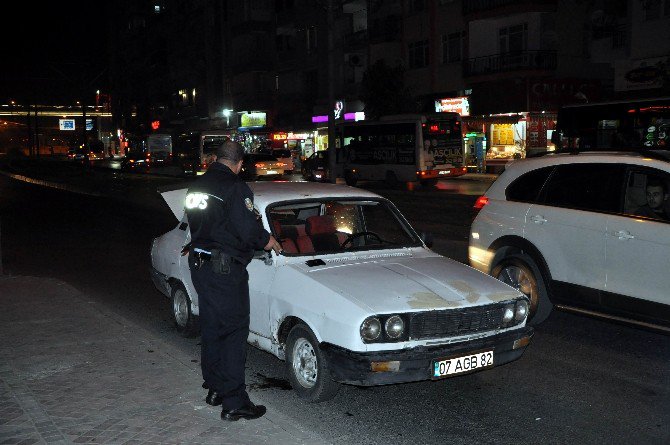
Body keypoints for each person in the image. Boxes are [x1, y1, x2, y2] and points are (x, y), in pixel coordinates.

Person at [184, 140, 282, 421]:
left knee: (213, 327)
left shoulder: (197, 186)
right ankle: (235, 401)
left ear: (216, 158)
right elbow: (247, 229)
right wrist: (268, 240)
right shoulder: (235, 187)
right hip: (224, 269)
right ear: (239, 164)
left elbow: (198, 223)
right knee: (233, 333)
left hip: (200, 263)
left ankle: (215, 388)